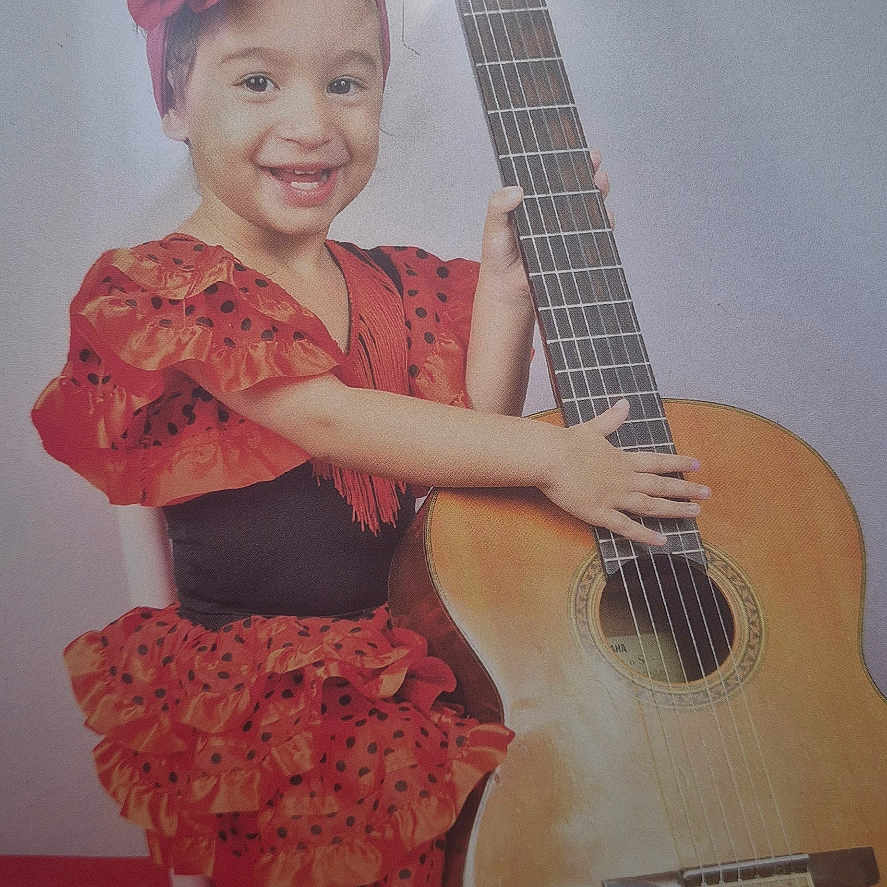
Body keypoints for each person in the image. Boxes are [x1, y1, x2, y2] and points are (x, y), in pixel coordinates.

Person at [31, 0, 709, 884]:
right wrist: (556, 457)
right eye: (258, 81)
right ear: (172, 103)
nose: (311, 123)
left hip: (412, 660)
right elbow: (329, 419)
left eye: (347, 83)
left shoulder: (396, 282)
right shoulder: (167, 285)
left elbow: (464, 456)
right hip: (268, 690)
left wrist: (506, 292)